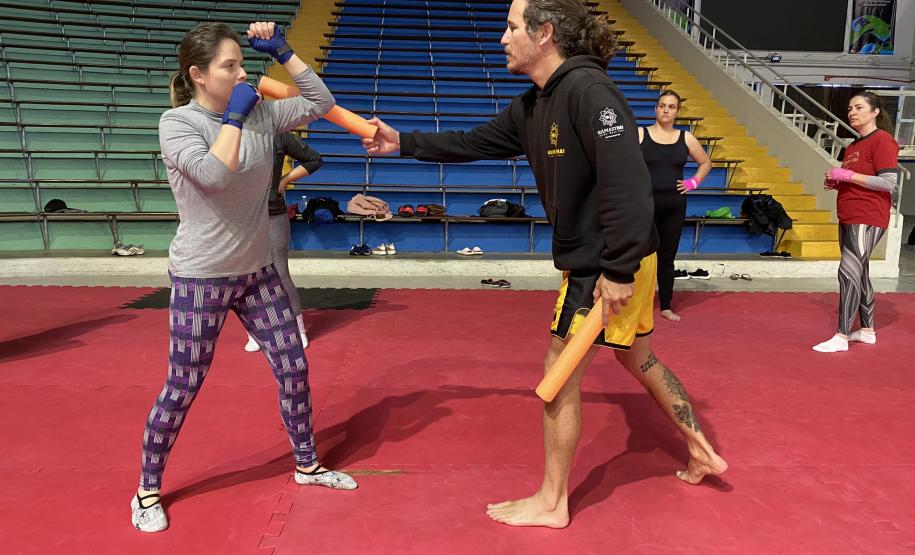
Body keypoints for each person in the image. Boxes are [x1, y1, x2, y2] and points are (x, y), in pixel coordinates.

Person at [363, 0, 726, 528]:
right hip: (616, 259)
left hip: (604, 264)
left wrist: (618, 271)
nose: (503, 37)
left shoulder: (590, 93)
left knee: (557, 374)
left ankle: (553, 502)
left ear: (545, 33)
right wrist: (404, 142)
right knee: (638, 358)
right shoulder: (535, 104)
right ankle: (702, 449)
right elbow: (473, 141)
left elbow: (629, 185)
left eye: (512, 28)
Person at [132, 21, 356, 534]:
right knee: (183, 383)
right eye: (228, 67)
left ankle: (306, 464)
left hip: (257, 272)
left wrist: (286, 53)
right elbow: (213, 176)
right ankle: (146, 489)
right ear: (197, 74)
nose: (242, 73)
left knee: (293, 366)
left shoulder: (263, 115)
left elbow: (321, 103)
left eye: (242, 63)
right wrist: (234, 116)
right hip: (202, 275)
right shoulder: (177, 123)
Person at [813, 91, 899, 353]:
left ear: (874, 112)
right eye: (850, 108)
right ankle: (868, 330)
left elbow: (888, 183)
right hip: (849, 214)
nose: (852, 112)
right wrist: (838, 181)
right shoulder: (852, 146)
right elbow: (855, 179)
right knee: (859, 273)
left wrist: (849, 175)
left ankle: (841, 335)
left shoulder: (882, 140)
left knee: (848, 272)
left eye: (859, 107)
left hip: (868, 216)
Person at [244, 133, 323, 352]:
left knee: (280, 272)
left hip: (273, 212)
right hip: (240, 216)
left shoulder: (278, 135)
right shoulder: (230, 131)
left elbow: (314, 159)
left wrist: (286, 179)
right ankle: (254, 332)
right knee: (246, 276)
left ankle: (297, 330)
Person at [638, 90, 711, 321]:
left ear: (677, 111)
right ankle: (636, 303)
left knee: (666, 257)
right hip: (644, 205)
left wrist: (693, 182)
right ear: (655, 109)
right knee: (639, 256)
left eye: (671, 106)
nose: (666, 110)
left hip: (674, 206)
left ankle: (666, 305)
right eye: (662, 106)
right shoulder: (639, 134)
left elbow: (705, 162)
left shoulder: (686, 138)